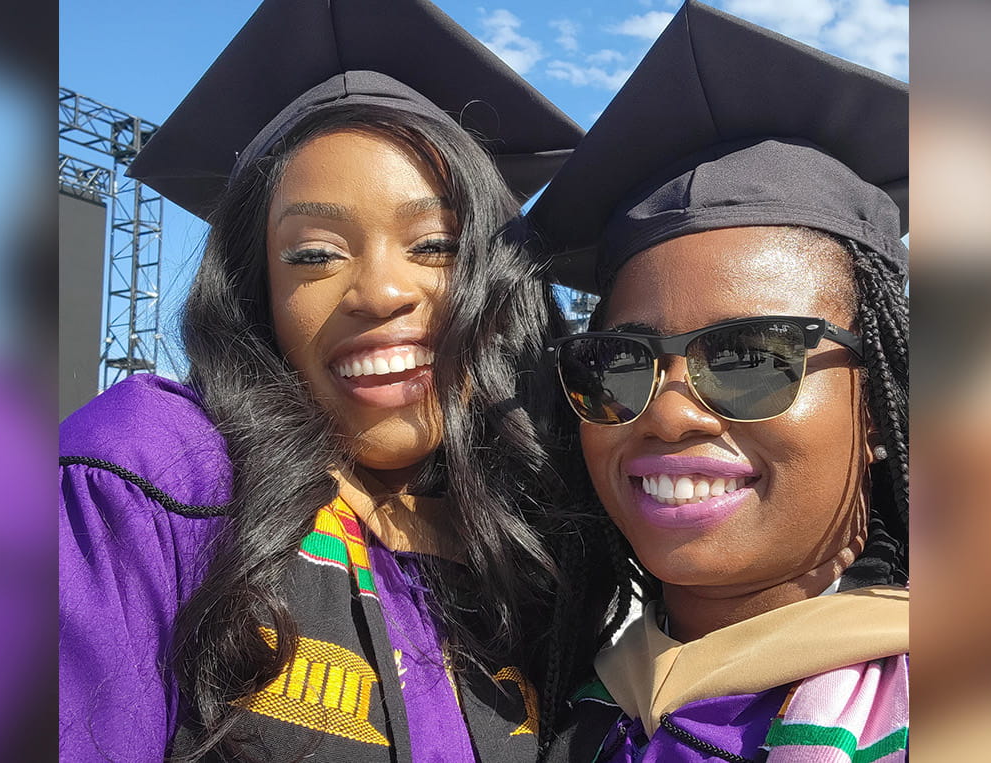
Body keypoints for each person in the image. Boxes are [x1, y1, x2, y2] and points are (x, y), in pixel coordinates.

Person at [57, 1, 620, 760]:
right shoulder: (162, 476)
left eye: (434, 245)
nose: (381, 292)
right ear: (257, 290)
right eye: (316, 253)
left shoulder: (524, 549)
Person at [527, 3, 909, 760]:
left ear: (875, 411)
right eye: (619, 363)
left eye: (750, 355)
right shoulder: (551, 705)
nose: (667, 414)